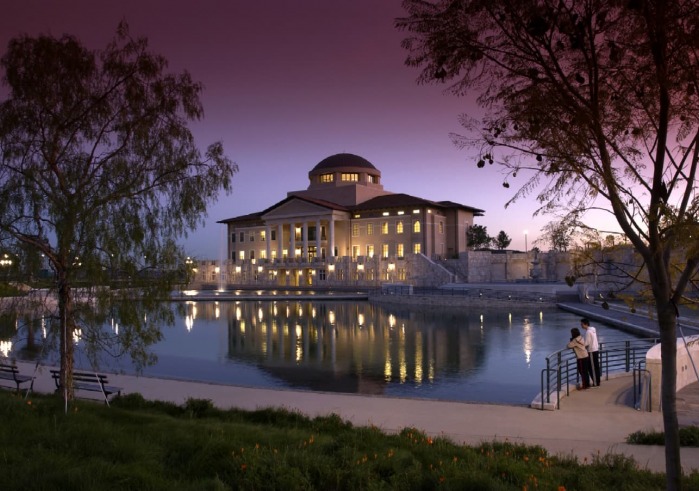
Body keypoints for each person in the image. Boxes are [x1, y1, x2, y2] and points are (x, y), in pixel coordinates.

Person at [581, 318, 601, 387]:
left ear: (585, 324)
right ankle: (597, 381)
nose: (581, 326)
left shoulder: (588, 332)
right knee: (596, 367)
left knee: (592, 367)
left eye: (582, 324)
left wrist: (581, 344)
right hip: (596, 349)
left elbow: (586, 343)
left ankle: (596, 383)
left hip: (591, 351)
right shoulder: (593, 329)